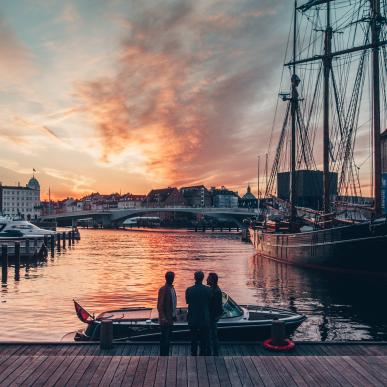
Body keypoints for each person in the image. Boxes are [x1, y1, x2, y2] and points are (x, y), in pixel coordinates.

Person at [185, 271, 212, 356]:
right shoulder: (208, 290)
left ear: (195, 278)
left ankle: (193, 354)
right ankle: (202, 354)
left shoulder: (189, 290)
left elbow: (188, 301)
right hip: (204, 318)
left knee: (193, 338)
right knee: (203, 339)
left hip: (193, 317)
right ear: (203, 278)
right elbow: (210, 303)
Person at [157, 271, 177, 356]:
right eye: (170, 277)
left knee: (168, 338)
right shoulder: (163, 289)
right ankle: (163, 356)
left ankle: (166, 354)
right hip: (165, 320)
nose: (171, 279)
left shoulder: (172, 288)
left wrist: (174, 315)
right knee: (165, 338)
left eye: (172, 277)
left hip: (171, 318)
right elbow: (160, 306)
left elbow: (173, 302)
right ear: (167, 278)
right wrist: (163, 318)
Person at [207, 272, 223, 356]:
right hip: (212, 316)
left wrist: (210, 317)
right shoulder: (214, 289)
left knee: (212, 334)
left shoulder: (215, 291)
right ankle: (213, 351)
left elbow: (215, 306)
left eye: (208, 278)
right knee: (212, 334)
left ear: (212, 280)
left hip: (212, 317)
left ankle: (214, 352)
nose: (206, 279)